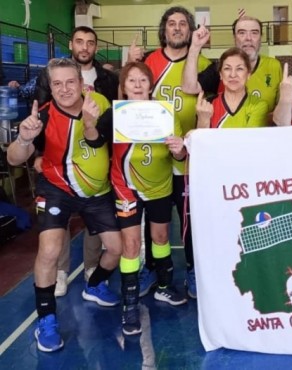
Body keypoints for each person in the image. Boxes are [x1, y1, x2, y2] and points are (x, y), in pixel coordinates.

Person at [6, 58, 122, 352]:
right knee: (49, 250)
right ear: (51, 86)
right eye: (57, 83)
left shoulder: (100, 104)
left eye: (70, 82)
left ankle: (94, 285)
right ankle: (46, 320)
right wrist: (23, 138)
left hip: (97, 192)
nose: (64, 89)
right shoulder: (41, 117)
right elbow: (14, 159)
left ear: (82, 84)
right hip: (57, 190)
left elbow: (115, 140)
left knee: (117, 249)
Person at [127, 6, 218, 299]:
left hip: (189, 157)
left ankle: (193, 268)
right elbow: (128, 100)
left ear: (190, 30)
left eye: (182, 24)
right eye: (171, 23)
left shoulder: (204, 63)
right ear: (164, 30)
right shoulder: (149, 62)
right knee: (155, 222)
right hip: (154, 158)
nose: (177, 28)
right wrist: (129, 63)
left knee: (190, 220)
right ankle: (153, 268)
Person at [34, 26, 120, 297]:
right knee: (52, 242)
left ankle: (91, 274)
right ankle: (59, 274)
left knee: (104, 238)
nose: (85, 47)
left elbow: (108, 129)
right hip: (59, 174)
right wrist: (34, 151)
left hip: (95, 178)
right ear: (71, 44)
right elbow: (38, 122)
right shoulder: (52, 77)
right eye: (80, 42)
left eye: (90, 42)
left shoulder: (105, 84)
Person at [109, 62, 187, 335]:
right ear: (124, 86)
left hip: (160, 185)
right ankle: (129, 305)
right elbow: (95, 142)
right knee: (130, 245)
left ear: (151, 85)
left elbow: (179, 155)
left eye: (143, 80)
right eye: (132, 80)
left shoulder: (165, 113)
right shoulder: (115, 115)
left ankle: (164, 287)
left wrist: (179, 149)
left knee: (162, 237)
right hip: (125, 186)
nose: (138, 84)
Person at [195, 47, 268, 129]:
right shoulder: (207, 105)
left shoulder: (258, 105)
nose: (233, 75)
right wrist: (203, 121)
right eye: (227, 68)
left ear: (248, 74)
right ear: (221, 75)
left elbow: (249, 140)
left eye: (239, 69)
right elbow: (201, 141)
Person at [231, 15, 282, 113]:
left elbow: (282, 110)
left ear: (260, 38)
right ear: (234, 38)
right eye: (242, 33)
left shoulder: (274, 66)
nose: (248, 38)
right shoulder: (223, 69)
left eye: (254, 33)